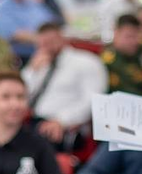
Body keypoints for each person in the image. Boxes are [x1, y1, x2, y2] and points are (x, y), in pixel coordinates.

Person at [21, 22, 107, 150]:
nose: (46, 47)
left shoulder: (86, 62)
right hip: (32, 120)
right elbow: (20, 92)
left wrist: (62, 121)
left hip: (65, 125)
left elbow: (93, 101)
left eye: (50, 42)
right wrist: (32, 71)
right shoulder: (40, 62)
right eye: (41, 44)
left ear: (62, 38)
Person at [101, 14, 142, 96]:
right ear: (116, 33)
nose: (134, 42)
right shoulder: (109, 62)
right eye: (129, 36)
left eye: (137, 36)